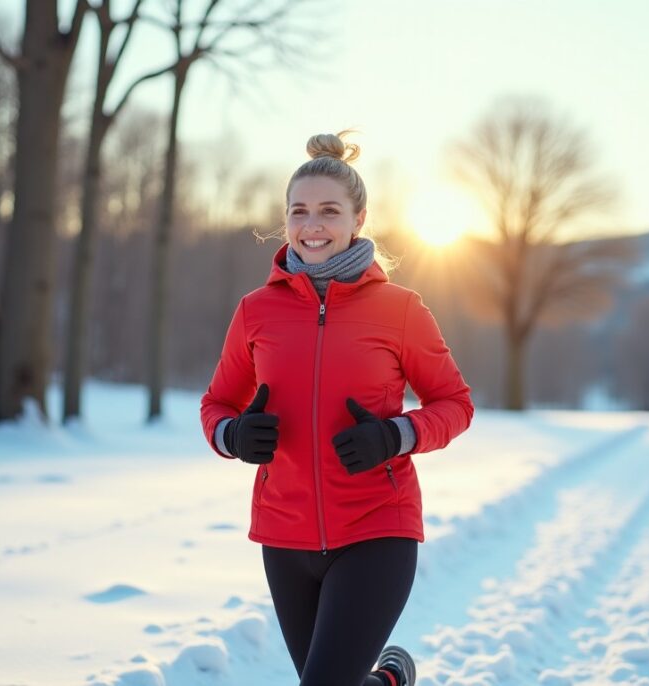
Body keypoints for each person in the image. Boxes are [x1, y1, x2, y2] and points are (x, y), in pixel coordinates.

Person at [200, 132, 474, 686]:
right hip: (284, 537)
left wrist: (395, 436)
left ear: (358, 219)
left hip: (378, 526)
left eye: (329, 210)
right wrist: (233, 435)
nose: (312, 225)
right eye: (299, 211)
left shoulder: (401, 310)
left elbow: (455, 404)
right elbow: (216, 403)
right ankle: (390, 681)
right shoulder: (257, 311)